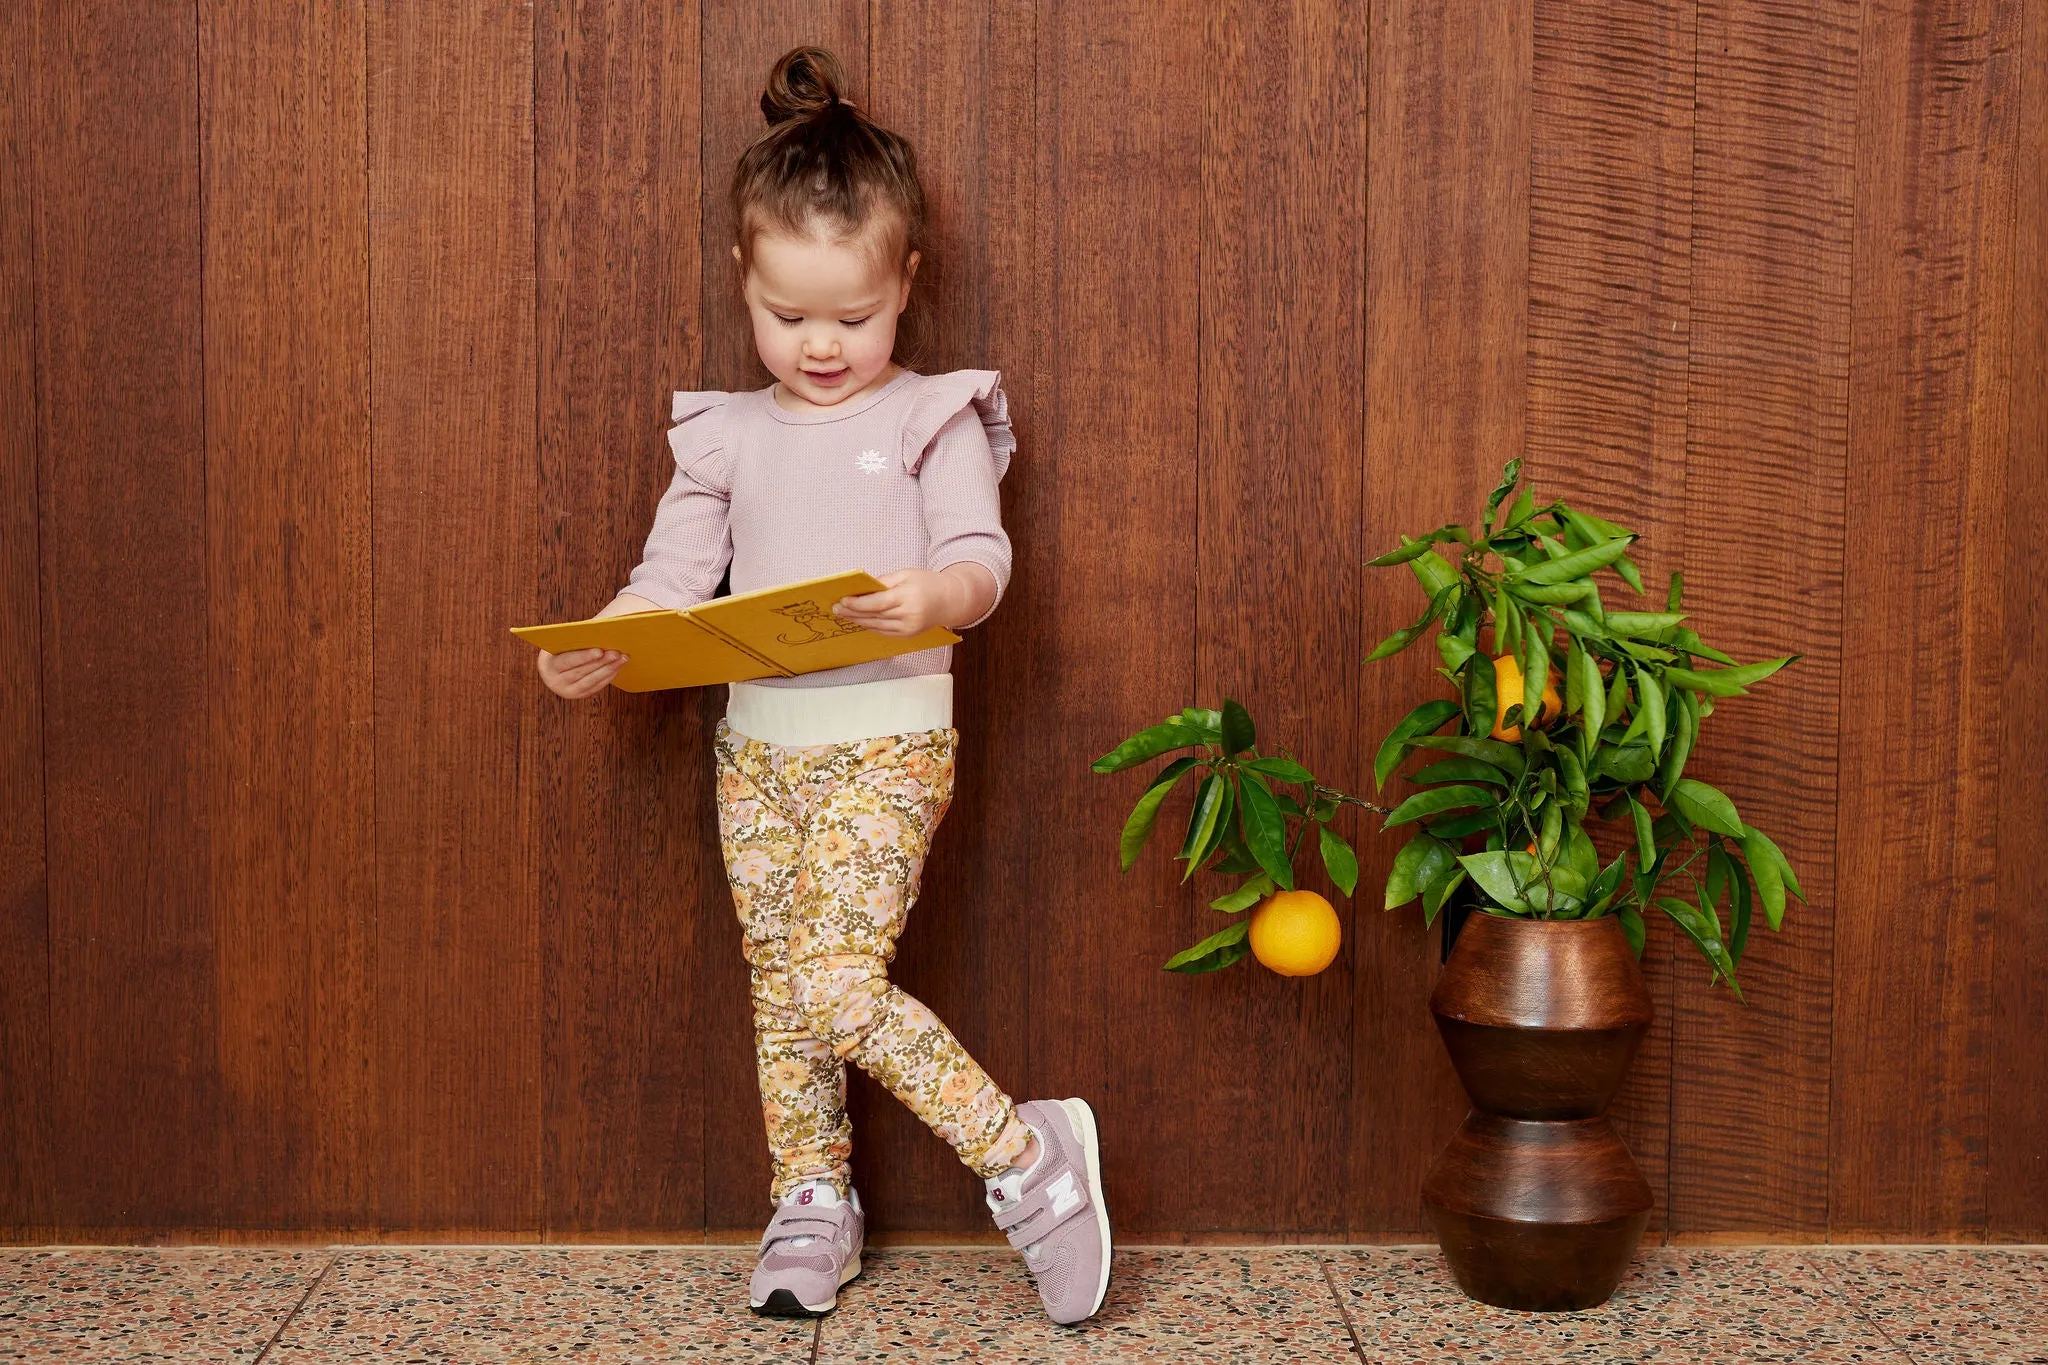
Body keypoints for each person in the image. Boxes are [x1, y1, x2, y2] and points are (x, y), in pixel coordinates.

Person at [534, 45, 1111, 1326]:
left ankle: (1025, 1161)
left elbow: (981, 559)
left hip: (888, 742)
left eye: (852, 317)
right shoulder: (725, 435)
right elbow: (665, 581)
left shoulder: (931, 416)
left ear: (906, 282)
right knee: (778, 984)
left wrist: (932, 597)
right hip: (756, 752)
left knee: (836, 983)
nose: (821, 346)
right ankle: (810, 1196)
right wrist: (604, 646)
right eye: (788, 317)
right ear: (745, 280)